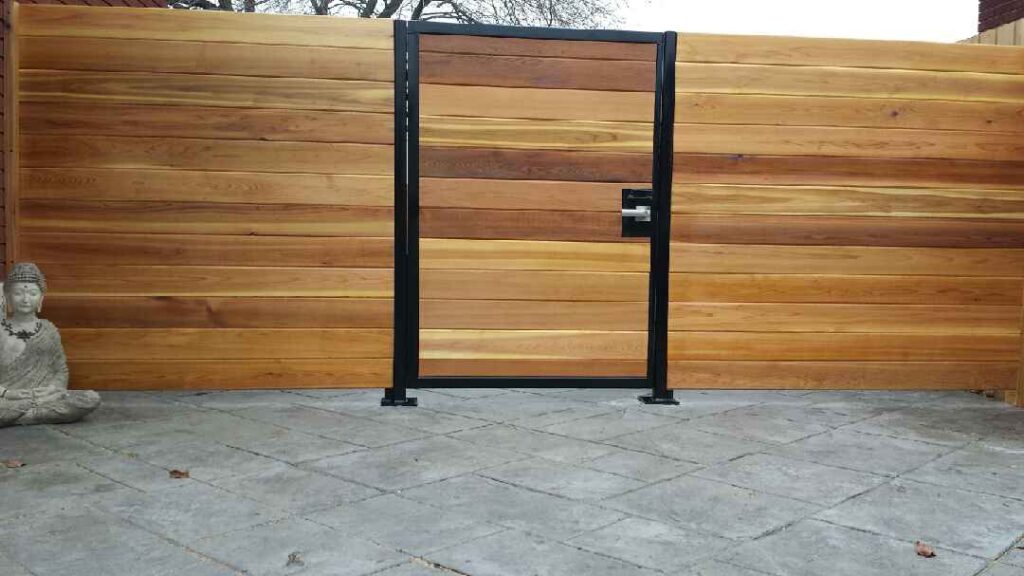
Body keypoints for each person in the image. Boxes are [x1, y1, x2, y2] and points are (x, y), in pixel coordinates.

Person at [0, 263, 100, 426]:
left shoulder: (49, 329)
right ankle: (32, 414)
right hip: (7, 398)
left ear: (41, 297)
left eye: (32, 293)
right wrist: (9, 394)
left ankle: (20, 417)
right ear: (7, 296)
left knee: (90, 398)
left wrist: (52, 388)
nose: (25, 299)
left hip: (44, 397)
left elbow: (60, 369)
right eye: (18, 293)